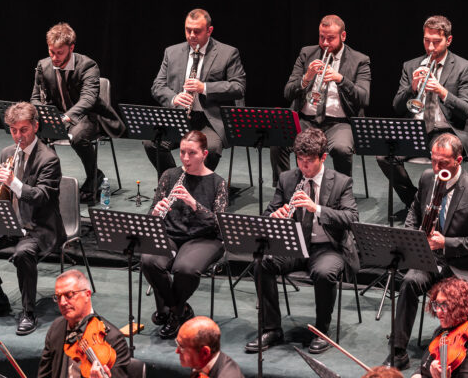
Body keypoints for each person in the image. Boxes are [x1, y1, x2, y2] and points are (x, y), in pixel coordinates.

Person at [383, 133, 468, 370]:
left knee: (454, 296)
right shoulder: (427, 179)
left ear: (458, 160)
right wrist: (411, 235)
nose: (436, 167)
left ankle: (457, 352)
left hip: (464, 263)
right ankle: (398, 350)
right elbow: (414, 209)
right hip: (431, 257)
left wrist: (446, 242)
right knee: (410, 281)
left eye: (443, 162)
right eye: (433, 160)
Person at [245, 128, 360, 355]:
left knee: (324, 273)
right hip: (295, 245)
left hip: (328, 247)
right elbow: (269, 211)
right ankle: (272, 328)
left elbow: (351, 218)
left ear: (323, 157)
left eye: (309, 161)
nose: (303, 167)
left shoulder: (341, 182)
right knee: (262, 262)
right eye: (299, 160)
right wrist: (274, 216)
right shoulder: (288, 178)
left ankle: (321, 331)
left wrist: (315, 208)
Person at [0, 102, 65, 336]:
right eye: (13, 130)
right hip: (11, 224)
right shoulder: (7, 153)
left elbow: (41, 197)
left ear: (36, 127)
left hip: (39, 227)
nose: (18, 136)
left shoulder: (49, 159)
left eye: (24, 130)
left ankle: (28, 311)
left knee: (23, 254)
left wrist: (14, 183)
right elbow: (4, 193)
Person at [377, 15, 468, 207]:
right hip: (417, 129)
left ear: (448, 40)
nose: (430, 48)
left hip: (447, 130)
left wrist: (442, 91)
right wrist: (412, 88)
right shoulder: (411, 66)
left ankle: (445, 205)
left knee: (444, 156)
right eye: (426, 41)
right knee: (383, 155)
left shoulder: (464, 67)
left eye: (436, 42)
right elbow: (397, 107)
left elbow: (466, 110)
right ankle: (416, 201)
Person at [141, 130, 228, 339]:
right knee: (149, 260)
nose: (186, 158)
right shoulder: (170, 176)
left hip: (204, 238)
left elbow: (221, 224)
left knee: (186, 269)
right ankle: (179, 310)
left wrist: (194, 203)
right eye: (182, 153)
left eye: (192, 153)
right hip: (171, 234)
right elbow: (151, 215)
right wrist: (155, 211)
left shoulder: (217, 182)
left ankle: (170, 311)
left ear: (205, 154)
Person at [143, 9, 246, 175]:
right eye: (187, 30)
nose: (191, 35)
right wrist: (174, 98)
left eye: (196, 31)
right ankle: (173, 179)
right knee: (151, 142)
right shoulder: (172, 52)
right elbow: (157, 86)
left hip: (210, 120)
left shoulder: (228, 53)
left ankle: (196, 185)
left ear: (209, 30)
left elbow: (238, 87)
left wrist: (204, 88)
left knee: (211, 149)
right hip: (180, 116)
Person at [31, 22, 125, 205]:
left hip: (89, 116)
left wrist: (66, 117)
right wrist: (41, 114)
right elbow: (35, 96)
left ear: (71, 48)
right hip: (59, 115)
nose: (55, 57)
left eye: (60, 53)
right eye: (51, 52)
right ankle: (49, 179)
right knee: (37, 133)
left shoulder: (88, 66)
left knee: (77, 135)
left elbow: (88, 100)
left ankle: (94, 176)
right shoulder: (43, 66)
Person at [271, 15, 371, 181]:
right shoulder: (306, 54)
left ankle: (341, 193)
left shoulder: (359, 60)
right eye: (321, 37)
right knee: (277, 140)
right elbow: (288, 92)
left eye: (330, 38)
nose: (325, 43)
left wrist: (341, 80)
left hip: (339, 123)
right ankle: (284, 189)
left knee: (341, 148)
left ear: (343, 36)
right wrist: (306, 78)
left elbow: (364, 98)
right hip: (306, 120)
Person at [38, 269, 131, 378]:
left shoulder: (113, 339)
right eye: (58, 297)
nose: (62, 302)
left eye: (69, 295)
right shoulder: (56, 328)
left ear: (87, 294)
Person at [412, 277, 468, 378]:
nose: (438, 311)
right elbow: (423, 366)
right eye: (437, 304)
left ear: (462, 307)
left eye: (445, 305)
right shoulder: (443, 330)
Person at [176, 316, 244, 378]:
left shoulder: (228, 375)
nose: (177, 351)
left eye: (182, 347)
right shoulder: (199, 362)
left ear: (205, 353)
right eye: (177, 343)